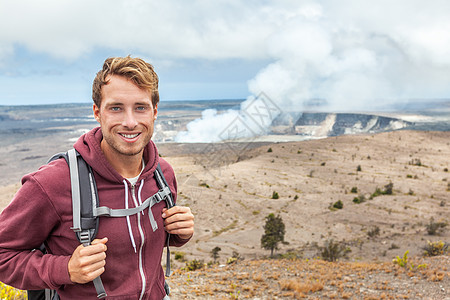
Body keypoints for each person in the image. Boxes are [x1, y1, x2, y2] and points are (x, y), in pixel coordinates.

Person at [0, 56, 195, 299]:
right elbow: (3, 254)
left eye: (140, 107)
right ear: (97, 112)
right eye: (116, 108)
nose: (130, 122)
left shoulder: (162, 173)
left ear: (154, 112)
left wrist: (178, 235)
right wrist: (65, 269)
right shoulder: (53, 182)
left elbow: (140, 243)